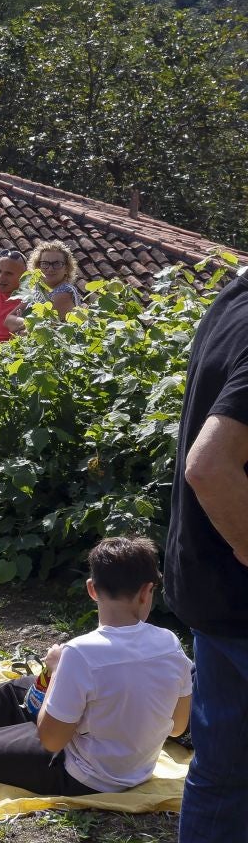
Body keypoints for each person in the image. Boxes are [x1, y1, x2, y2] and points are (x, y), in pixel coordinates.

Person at [0, 536, 190, 794]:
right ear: (146, 591)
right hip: (132, 767)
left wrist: (57, 673)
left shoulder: (80, 654)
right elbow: (177, 728)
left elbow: (50, 739)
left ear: (92, 589)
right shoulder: (171, 645)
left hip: (81, 773)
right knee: (14, 692)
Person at [164, 262, 248, 843]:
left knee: (222, 772)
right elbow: (210, 466)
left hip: (213, 584)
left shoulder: (232, 303)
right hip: (236, 582)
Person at [7, 241, 83, 333]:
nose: (50, 269)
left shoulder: (65, 293)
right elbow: (8, 320)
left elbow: (41, 331)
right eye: (45, 263)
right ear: (37, 267)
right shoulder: (36, 290)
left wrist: (20, 324)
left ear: (66, 269)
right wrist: (27, 324)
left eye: (57, 264)